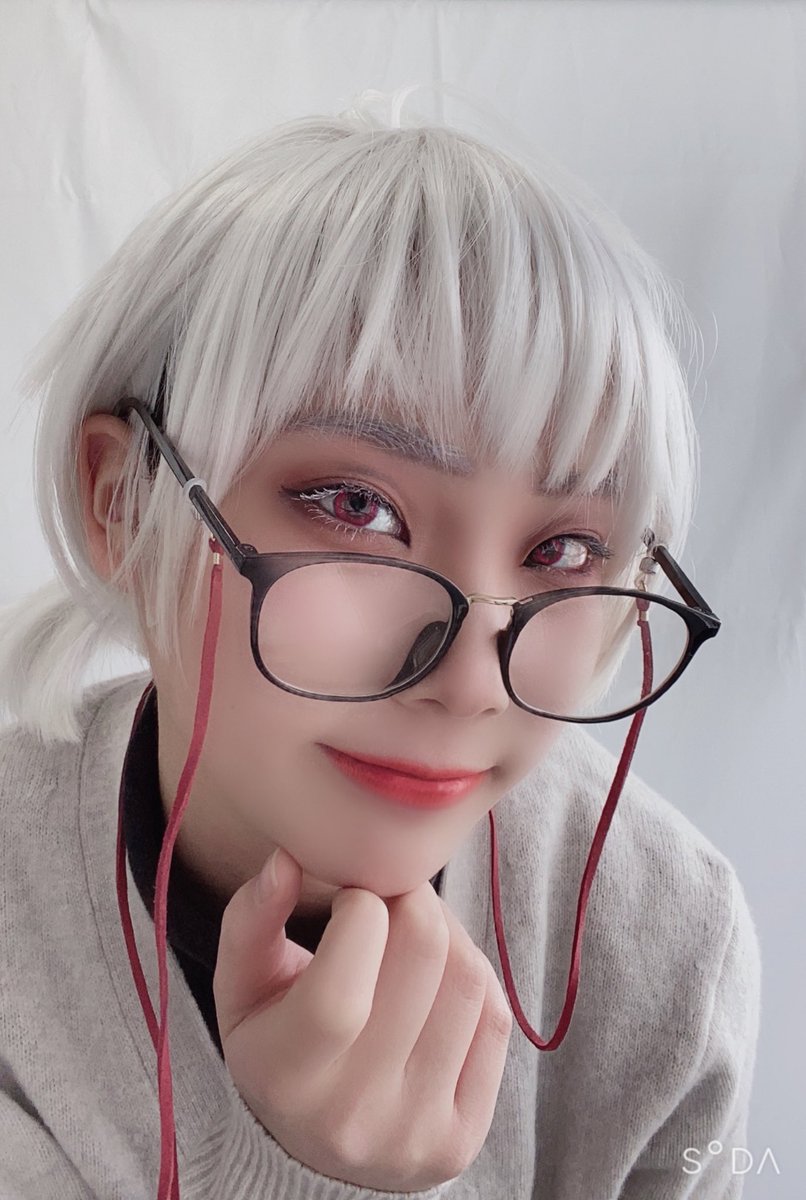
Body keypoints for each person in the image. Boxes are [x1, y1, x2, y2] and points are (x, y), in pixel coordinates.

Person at [0, 90, 761, 1199]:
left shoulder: (666, 945)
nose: (468, 679)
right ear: (125, 502)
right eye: (356, 506)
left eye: (563, 552)